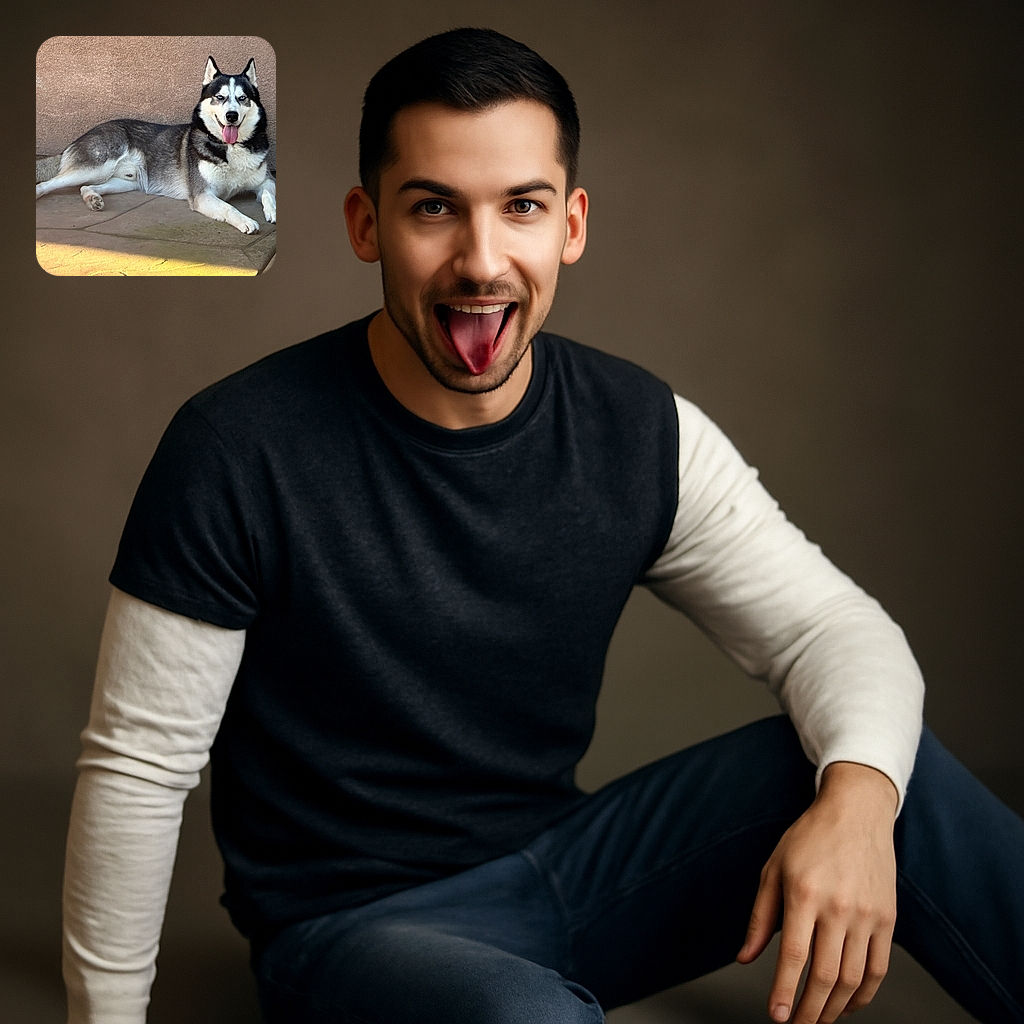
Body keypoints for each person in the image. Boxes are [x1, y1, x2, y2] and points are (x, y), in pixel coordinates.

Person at [62, 27, 1023, 1024]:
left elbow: (835, 630)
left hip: (570, 874)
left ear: (570, 224)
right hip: (352, 928)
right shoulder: (237, 447)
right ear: (365, 223)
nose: (481, 261)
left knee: (877, 776)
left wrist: (863, 809)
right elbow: (137, 774)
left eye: (519, 207)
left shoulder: (639, 430)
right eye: (434, 208)